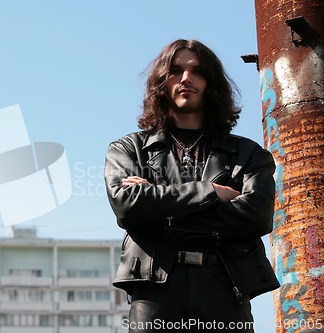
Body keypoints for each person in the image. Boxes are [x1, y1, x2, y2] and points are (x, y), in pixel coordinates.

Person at [104, 39, 280, 332]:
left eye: (197, 71)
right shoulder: (129, 149)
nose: (186, 78)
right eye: (176, 70)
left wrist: (158, 209)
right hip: (154, 291)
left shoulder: (248, 154)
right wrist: (211, 193)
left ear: (212, 83)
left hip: (226, 286)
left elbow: (257, 216)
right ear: (162, 81)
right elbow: (128, 206)